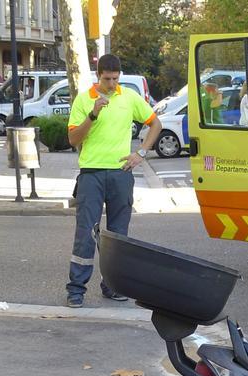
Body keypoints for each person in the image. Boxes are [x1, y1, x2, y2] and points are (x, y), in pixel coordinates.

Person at [65, 53, 163, 308]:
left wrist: (141, 152)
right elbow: (73, 140)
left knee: (119, 236)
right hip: (91, 174)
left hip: (121, 174)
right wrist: (93, 115)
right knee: (86, 234)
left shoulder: (129, 97)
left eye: (115, 79)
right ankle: (76, 290)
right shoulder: (84, 99)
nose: (111, 84)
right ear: (98, 76)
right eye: (107, 79)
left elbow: (156, 124)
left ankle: (111, 286)